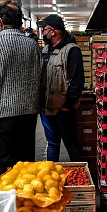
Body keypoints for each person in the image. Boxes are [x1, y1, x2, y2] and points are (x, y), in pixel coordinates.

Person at [0, 0, 42, 175]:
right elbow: (41, 77)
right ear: (21, 22)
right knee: (27, 161)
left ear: (0, 22)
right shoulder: (33, 45)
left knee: (6, 163)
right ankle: (26, 199)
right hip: (29, 112)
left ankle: (9, 199)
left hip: (4, 113)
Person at [37, 14, 84, 162]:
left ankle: (80, 178)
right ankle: (51, 174)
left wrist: (68, 105)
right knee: (52, 144)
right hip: (47, 108)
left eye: (44, 29)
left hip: (64, 110)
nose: (43, 33)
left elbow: (77, 81)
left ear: (53, 31)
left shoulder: (72, 51)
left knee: (71, 144)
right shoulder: (45, 50)